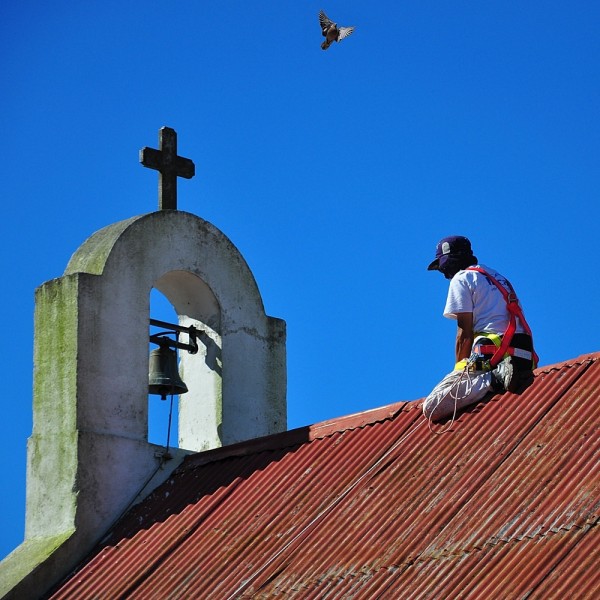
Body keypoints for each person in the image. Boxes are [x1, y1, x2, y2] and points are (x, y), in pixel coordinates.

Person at [423, 235, 537, 422]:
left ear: (452, 260)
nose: (444, 274)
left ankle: (496, 378)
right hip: (523, 356)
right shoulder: (498, 278)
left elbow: (464, 334)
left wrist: (459, 372)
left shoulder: (462, 278)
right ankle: (501, 374)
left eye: (443, 267)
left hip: (493, 355)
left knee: (433, 406)